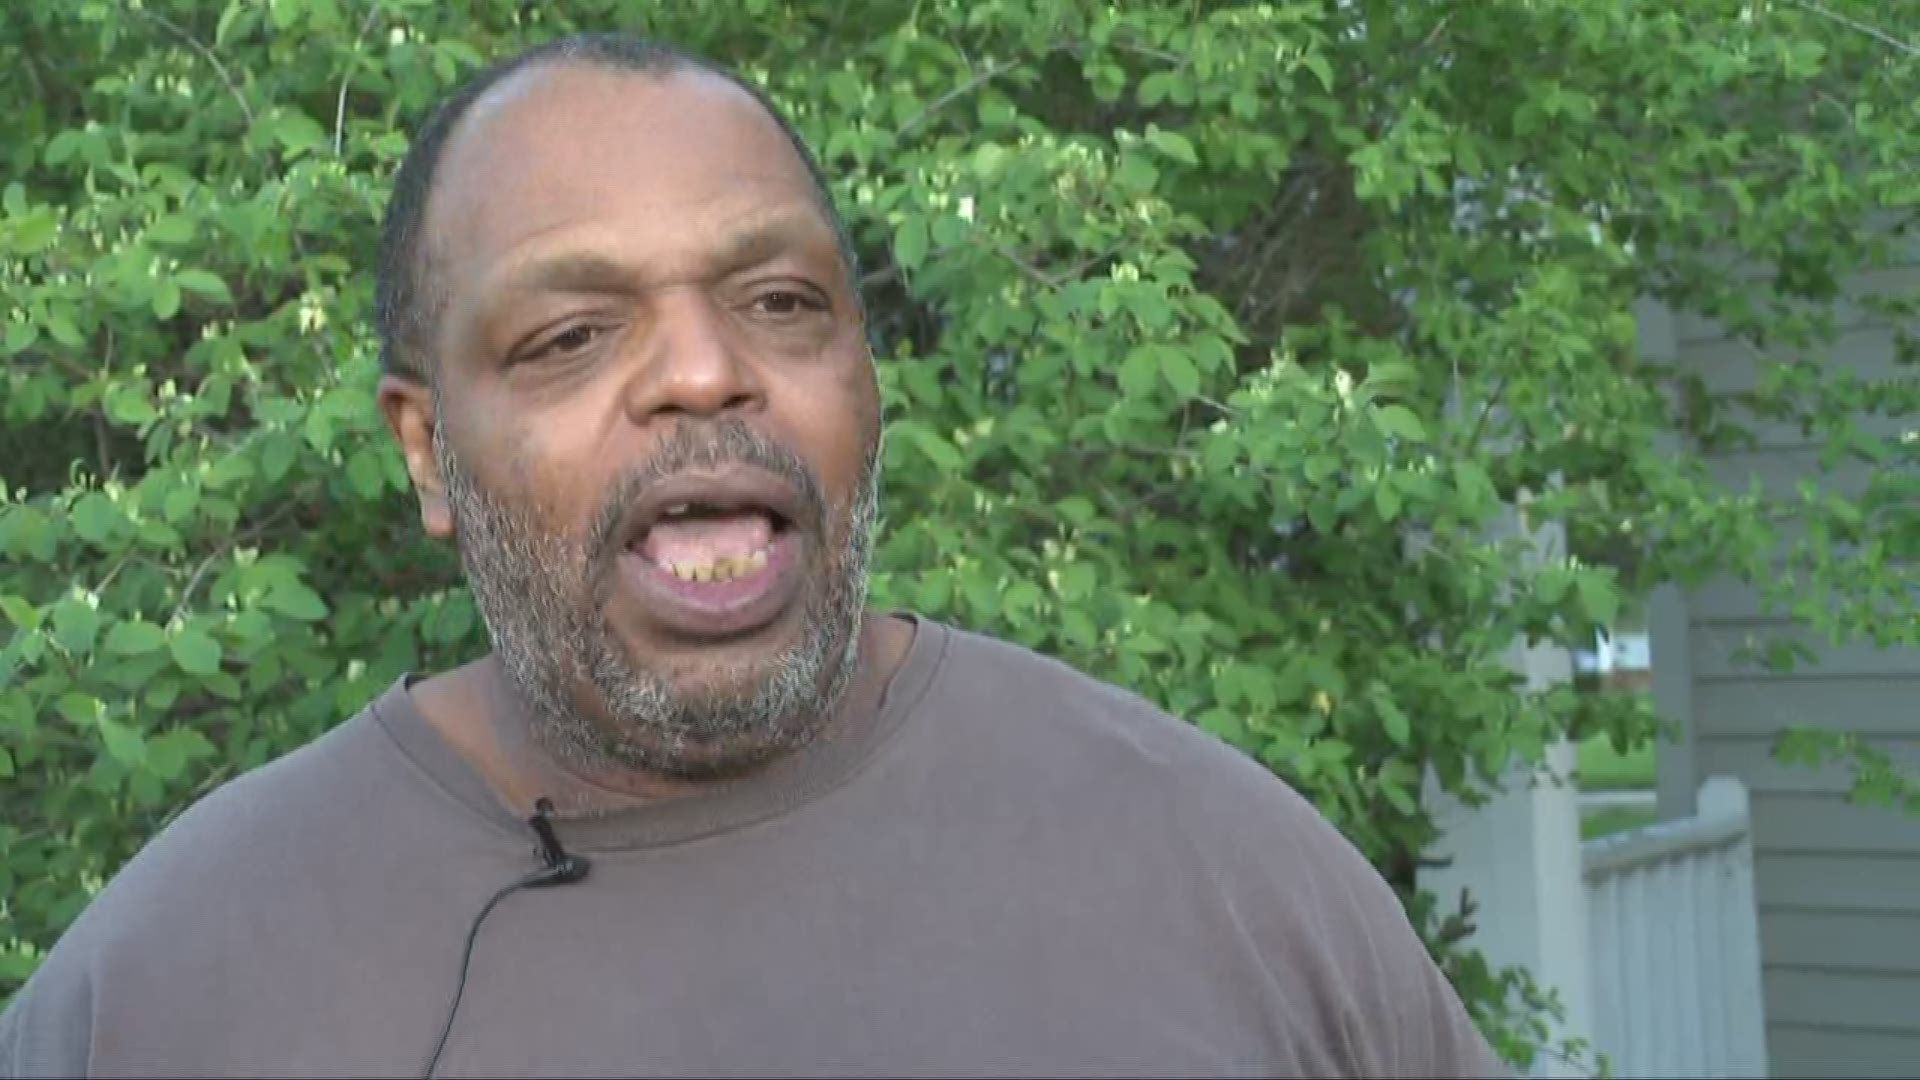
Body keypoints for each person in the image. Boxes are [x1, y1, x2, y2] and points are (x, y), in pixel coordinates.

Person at [0, 33, 1506, 1079]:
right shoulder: (170, 985)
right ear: (427, 450)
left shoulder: (1231, 878)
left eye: (782, 303)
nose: (706, 372)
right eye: (572, 334)